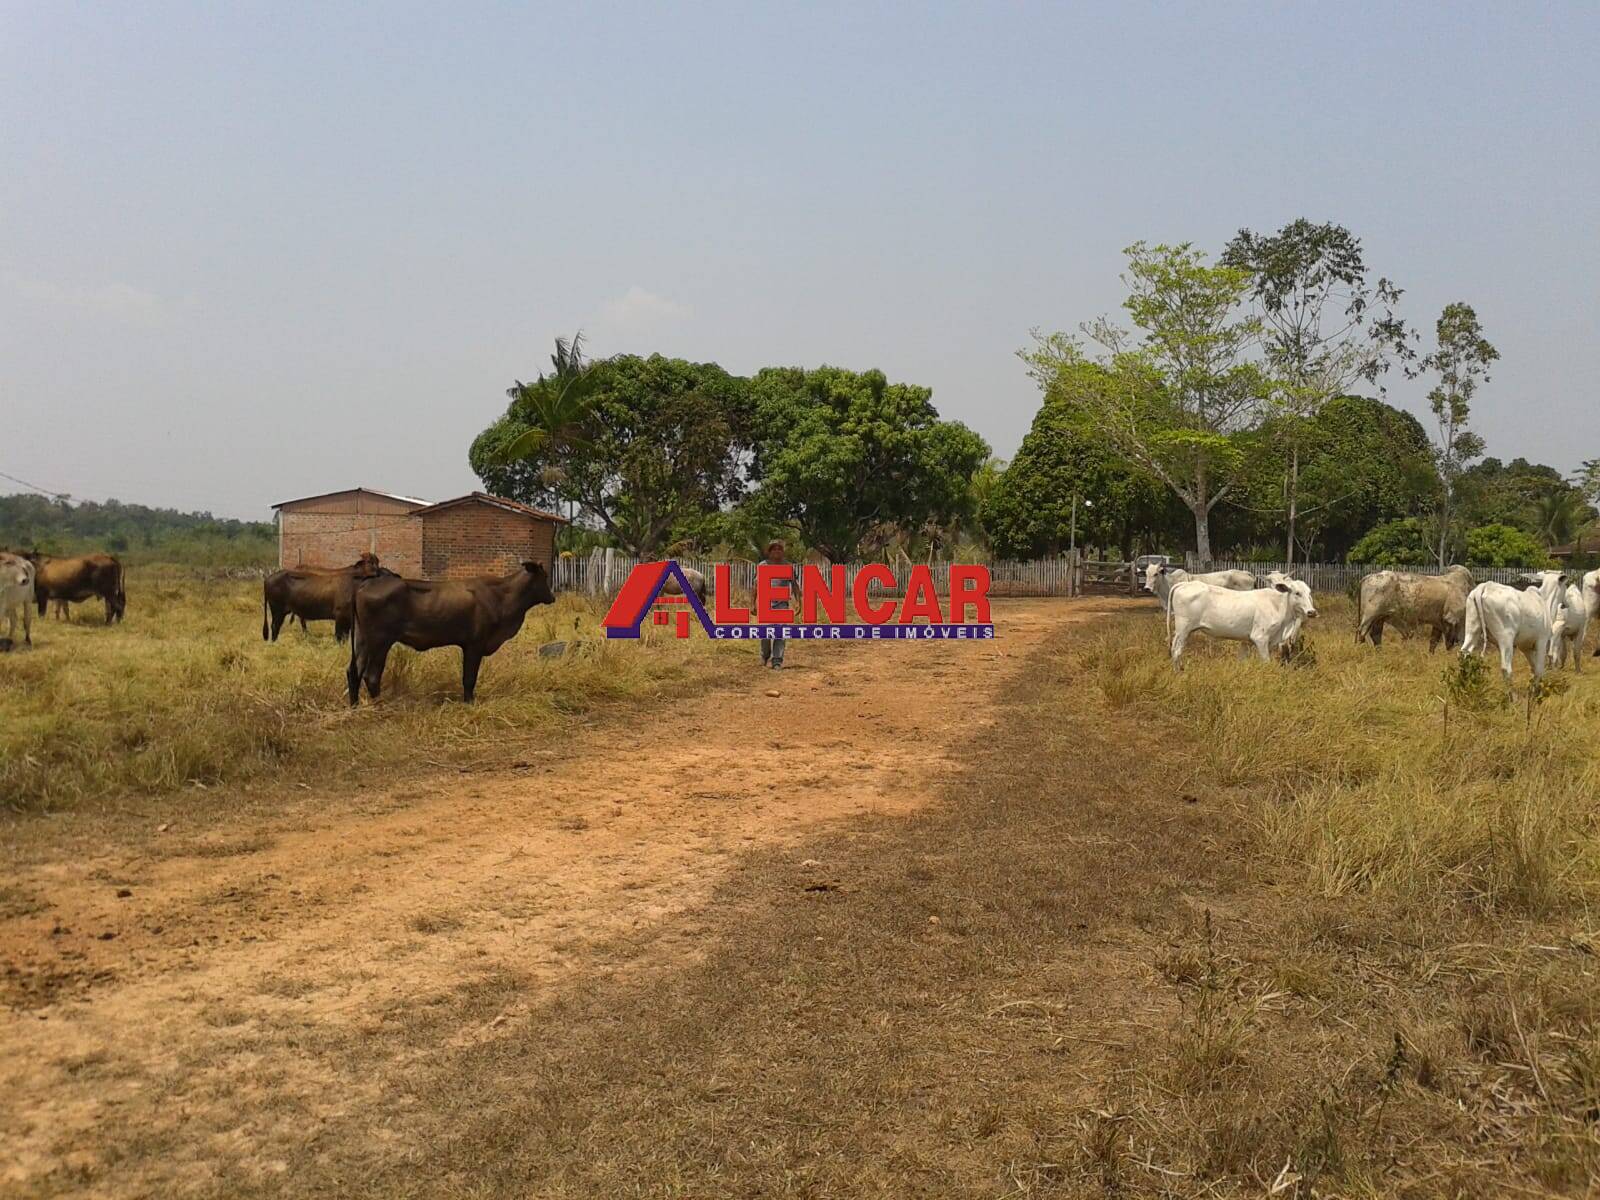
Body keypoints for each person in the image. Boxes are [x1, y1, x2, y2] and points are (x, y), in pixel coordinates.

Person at [758, 539, 792, 669]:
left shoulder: (787, 566)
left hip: (782, 604)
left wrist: (799, 601)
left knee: (780, 633)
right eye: (774, 549)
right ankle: (764, 656)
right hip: (766, 603)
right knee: (765, 633)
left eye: (779, 549)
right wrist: (752, 603)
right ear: (769, 552)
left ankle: (777, 660)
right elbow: (756, 585)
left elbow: (793, 584)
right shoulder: (763, 566)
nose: (777, 551)